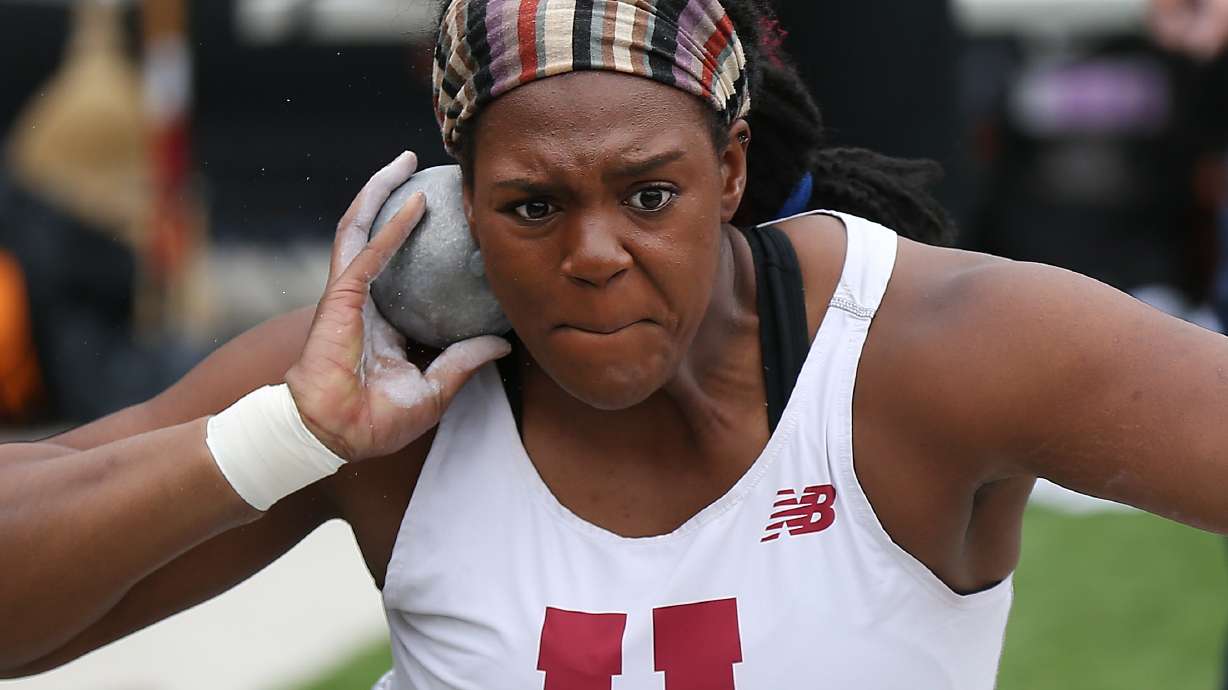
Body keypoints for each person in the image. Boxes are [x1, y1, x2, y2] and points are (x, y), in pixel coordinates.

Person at [4, 0, 1228, 686]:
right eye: (532, 207)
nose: (594, 255)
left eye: (649, 195)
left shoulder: (925, 351)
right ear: (457, 206)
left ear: (731, 170)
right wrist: (287, 438)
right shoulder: (379, 398)